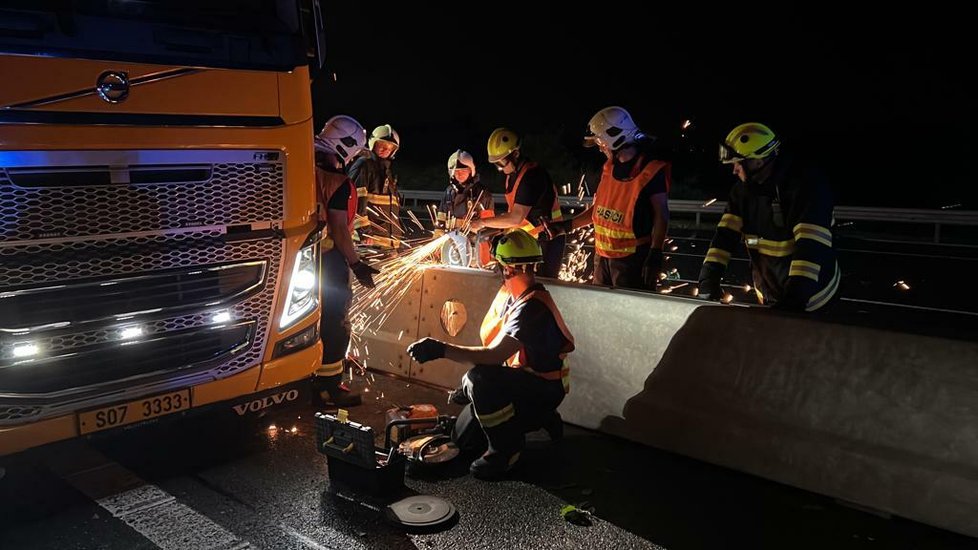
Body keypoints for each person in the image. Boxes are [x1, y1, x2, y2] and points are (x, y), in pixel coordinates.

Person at [407, 228, 574, 480]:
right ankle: (544, 419)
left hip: (545, 388)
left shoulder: (532, 307)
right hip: (524, 380)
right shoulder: (512, 295)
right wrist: (466, 388)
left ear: (509, 269)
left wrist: (440, 349)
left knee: (481, 381)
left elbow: (494, 356)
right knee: (462, 440)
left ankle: (506, 451)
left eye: (499, 266)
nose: (497, 272)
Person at [698, 122, 840, 311]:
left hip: (814, 300)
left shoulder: (806, 186)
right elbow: (724, 237)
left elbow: (810, 249)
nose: (734, 170)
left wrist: (794, 300)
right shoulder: (741, 192)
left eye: (738, 163)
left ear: (758, 160)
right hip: (770, 295)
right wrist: (708, 279)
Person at [544, 106, 671, 290]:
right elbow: (598, 211)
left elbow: (662, 215)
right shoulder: (609, 169)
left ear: (615, 138)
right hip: (602, 258)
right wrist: (565, 226)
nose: (600, 147)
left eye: (600, 142)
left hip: (632, 261)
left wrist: (656, 253)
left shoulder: (650, 172)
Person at [313, 115, 381, 407]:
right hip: (330, 263)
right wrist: (356, 264)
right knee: (336, 323)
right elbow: (339, 229)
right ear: (347, 145)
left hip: (304, 261)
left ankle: (309, 380)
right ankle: (329, 389)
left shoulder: (303, 169)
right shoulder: (338, 181)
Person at [468, 128, 565, 279]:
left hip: (548, 240)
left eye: (501, 162)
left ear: (515, 154)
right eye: (496, 164)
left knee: (542, 283)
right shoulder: (512, 176)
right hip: (529, 239)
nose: (499, 168)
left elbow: (516, 217)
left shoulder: (532, 177)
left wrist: (482, 223)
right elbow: (513, 216)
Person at [348, 123, 402, 248]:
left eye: (390, 148)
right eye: (382, 145)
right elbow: (355, 201)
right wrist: (364, 232)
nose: (386, 150)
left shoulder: (388, 172)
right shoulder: (364, 165)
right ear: (373, 144)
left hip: (387, 244)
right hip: (369, 243)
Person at [436, 149, 495, 232]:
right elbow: (440, 220)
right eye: (456, 171)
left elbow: (489, 223)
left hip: (473, 241)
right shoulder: (449, 192)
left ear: (471, 171)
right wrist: (438, 238)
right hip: (450, 239)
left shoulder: (482, 193)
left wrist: (483, 242)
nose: (459, 174)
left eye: (463, 171)